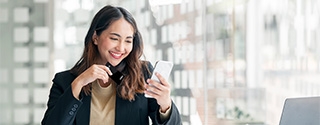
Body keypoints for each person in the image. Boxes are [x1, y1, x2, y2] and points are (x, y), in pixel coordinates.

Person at [41, 5, 181, 125]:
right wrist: (79, 83)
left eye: (128, 41)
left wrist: (165, 104)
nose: (121, 48)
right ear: (95, 37)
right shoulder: (65, 81)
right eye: (114, 38)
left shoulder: (142, 74)